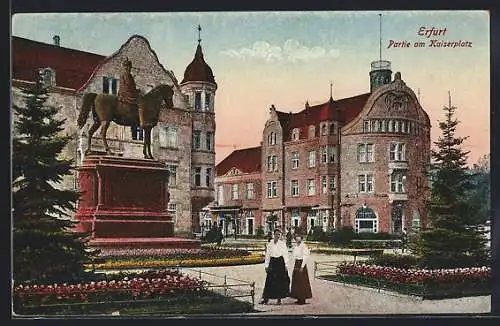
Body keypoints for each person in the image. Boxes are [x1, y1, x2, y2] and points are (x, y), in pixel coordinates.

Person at [260, 228, 290, 305]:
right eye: (276, 234)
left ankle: (279, 299)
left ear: (280, 235)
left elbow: (285, 254)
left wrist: (286, 265)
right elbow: (268, 255)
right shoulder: (270, 244)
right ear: (274, 235)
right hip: (272, 262)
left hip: (280, 262)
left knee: (279, 281)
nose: (277, 236)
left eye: (278, 234)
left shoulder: (282, 244)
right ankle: (266, 298)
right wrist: (266, 265)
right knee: (270, 280)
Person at [290, 234, 312, 305]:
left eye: (298, 238)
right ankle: (298, 297)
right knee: (296, 281)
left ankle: (303, 298)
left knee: (302, 281)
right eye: (296, 238)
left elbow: (306, 256)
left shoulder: (304, 246)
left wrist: (302, 266)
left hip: (301, 263)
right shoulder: (296, 246)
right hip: (297, 262)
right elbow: (294, 255)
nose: (297, 239)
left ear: (301, 238)